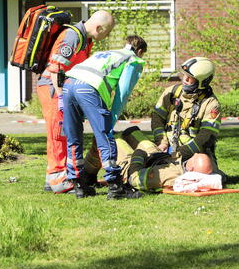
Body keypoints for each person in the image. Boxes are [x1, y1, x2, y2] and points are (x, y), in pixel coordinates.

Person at [37, 10, 114, 194]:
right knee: (59, 133)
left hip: (61, 89)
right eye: (107, 32)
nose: (107, 36)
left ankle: (53, 178)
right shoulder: (72, 36)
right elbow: (56, 69)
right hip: (53, 89)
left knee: (63, 132)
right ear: (99, 27)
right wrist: (62, 99)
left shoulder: (84, 39)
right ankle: (58, 180)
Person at [62, 35, 147, 199]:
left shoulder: (107, 53)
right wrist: (110, 121)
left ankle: (79, 185)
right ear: (140, 51)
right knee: (105, 137)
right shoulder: (133, 59)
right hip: (88, 87)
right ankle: (115, 186)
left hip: (69, 84)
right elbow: (122, 93)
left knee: (73, 136)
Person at [85, 126, 215, 193]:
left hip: (132, 166)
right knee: (133, 132)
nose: (194, 154)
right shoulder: (189, 167)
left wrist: (138, 154)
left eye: (195, 157)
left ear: (191, 169)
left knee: (108, 140)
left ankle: (87, 175)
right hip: (156, 156)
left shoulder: (168, 175)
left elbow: (135, 179)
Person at [151, 57, 222, 171]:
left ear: (202, 82)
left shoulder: (211, 104)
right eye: (184, 75)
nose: (185, 79)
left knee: (205, 170)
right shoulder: (171, 92)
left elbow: (206, 137)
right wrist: (161, 141)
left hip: (193, 152)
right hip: (166, 147)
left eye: (190, 77)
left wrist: (180, 153)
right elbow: (157, 117)